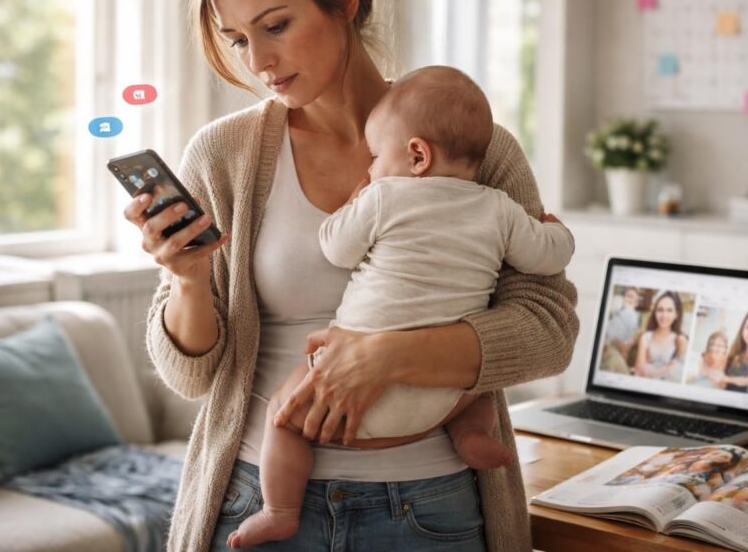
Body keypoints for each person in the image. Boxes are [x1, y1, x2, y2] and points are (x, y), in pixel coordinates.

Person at [125, 0, 579, 552]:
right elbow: (193, 376)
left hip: (435, 503)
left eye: (275, 26)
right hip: (259, 496)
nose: (259, 63)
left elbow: (550, 326)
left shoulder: (470, 146)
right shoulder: (221, 156)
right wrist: (190, 280)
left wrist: (386, 355)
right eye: (238, 39)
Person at [230, 66, 576, 547]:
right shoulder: (498, 208)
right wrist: (557, 232)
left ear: (416, 155)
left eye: (375, 157)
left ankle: (279, 508)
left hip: (352, 406)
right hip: (440, 397)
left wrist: (355, 202)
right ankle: (472, 433)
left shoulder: (384, 196)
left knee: (283, 415)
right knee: (477, 385)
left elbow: (335, 248)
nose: (370, 168)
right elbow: (547, 256)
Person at [633, 291, 688, 382]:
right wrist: (667, 368)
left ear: (676, 315)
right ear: (655, 312)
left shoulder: (679, 340)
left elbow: (680, 374)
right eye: (660, 310)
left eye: (669, 310)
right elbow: (638, 372)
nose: (664, 315)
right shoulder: (646, 337)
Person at [601, 287, 641, 375]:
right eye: (627, 296)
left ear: (636, 301)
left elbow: (629, 341)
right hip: (607, 343)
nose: (629, 299)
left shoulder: (632, 315)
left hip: (616, 348)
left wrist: (622, 349)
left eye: (632, 297)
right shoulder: (619, 311)